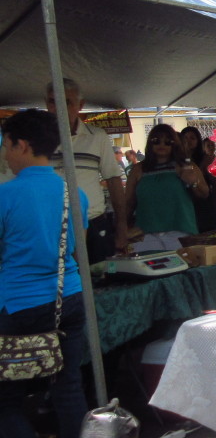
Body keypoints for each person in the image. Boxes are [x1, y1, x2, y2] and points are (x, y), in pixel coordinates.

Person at [0, 109, 90, 438]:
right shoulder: (74, 194)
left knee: (6, 400)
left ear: (22, 145)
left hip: (18, 305)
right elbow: (76, 246)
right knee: (67, 389)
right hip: (68, 298)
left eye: (7, 146)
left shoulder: (5, 195)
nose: (6, 155)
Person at [46, 78, 128, 263]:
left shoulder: (96, 137)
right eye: (53, 101)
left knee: (101, 281)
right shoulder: (37, 141)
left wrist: (121, 226)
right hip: (53, 225)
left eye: (67, 101)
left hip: (94, 222)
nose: (59, 106)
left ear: (80, 105)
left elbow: (113, 179)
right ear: (46, 103)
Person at [125, 125, 208, 252]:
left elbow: (205, 194)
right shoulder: (138, 170)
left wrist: (193, 182)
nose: (162, 144)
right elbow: (128, 204)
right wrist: (122, 229)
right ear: (150, 143)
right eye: (156, 140)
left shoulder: (186, 166)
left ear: (175, 144)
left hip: (180, 232)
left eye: (168, 141)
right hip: (146, 234)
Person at [180, 125, 216, 232]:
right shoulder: (178, 161)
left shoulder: (207, 159)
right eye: (185, 138)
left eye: (192, 138)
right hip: (184, 206)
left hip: (203, 205)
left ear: (198, 141)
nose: (188, 141)